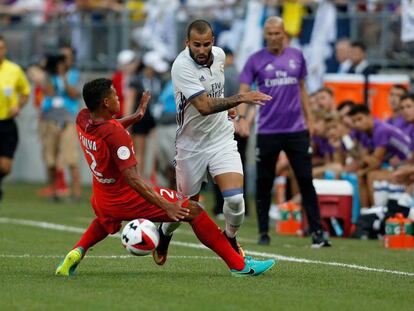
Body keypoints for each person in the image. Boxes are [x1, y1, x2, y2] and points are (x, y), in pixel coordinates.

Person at [55, 78, 275, 277]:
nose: (117, 97)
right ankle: (239, 266)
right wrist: (166, 206)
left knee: (105, 221)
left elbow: (106, 129)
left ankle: (77, 251)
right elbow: (134, 179)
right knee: (194, 211)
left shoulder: (83, 119)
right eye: (114, 95)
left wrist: (135, 117)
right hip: (125, 196)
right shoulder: (117, 137)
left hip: (102, 195)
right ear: (105, 102)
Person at [157, 19, 272, 262]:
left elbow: (215, 95)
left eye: (206, 44)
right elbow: (204, 106)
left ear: (213, 43)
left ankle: (229, 237)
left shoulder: (219, 56)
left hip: (221, 138)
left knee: (235, 200)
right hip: (191, 146)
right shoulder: (181, 66)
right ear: (186, 43)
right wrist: (240, 98)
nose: (201, 50)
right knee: (184, 209)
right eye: (196, 45)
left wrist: (228, 110)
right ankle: (164, 234)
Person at [237, 16, 331, 247]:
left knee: (305, 179)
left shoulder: (297, 56)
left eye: (277, 33)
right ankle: (263, 233)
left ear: (284, 33)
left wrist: (309, 119)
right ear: (264, 35)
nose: (273, 37)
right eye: (269, 33)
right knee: (264, 182)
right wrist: (240, 118)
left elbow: (302, 89)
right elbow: (243, 92)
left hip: (296, 130)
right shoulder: (255, 60)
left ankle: (317, 232)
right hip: (268, 130)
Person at [0, 35, 30, 202]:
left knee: (5, 166)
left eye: (2, 48)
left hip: (7, 123)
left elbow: (25, 92)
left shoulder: (14, 70)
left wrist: (18, 106)